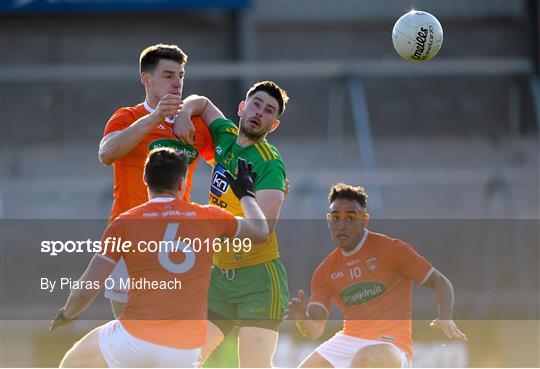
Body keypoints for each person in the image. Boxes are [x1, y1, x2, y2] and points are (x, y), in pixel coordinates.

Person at [50, 148, 268, 368]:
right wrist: (246, 195)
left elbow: (87, 289)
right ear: (182, 183)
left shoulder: (124, 223)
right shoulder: (208, 216)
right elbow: (260, 231)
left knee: (74, 362)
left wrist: (67, 314)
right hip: (185, 349)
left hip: (134, 340)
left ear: (145, 179)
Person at [285, 183, 467, 368]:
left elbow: (440, 281)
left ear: (364, 220)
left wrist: (445, 316)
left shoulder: (391, 249)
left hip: (390, 344)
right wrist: (303, 320)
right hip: (349, 339)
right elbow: (315, 330)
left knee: (366, 358)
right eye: (335, 217)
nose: (341, 225)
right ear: (328, 220)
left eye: (350, 217)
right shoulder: (325, 272)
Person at [174, 81, 289, 367]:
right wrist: (185, 113)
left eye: (269, 111)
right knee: (188, 356)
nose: (260, 112)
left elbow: (262, 231)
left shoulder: (269, 164)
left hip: (258, 279)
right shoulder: (224, 137)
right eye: (256, 104)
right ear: (242, 107)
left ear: (274, 125)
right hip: (220, 275)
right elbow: (201, 100)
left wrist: (206, 224)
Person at [98, 43, 214, 317]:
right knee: (130, 332)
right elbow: (106, 153)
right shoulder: (128, 116)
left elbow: (227, 161)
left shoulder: (193, 125)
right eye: (168, 75)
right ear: (146, 79)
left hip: (177, 241)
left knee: (177, 332)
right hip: (131, 238)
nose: (177, 82)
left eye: (181, 75)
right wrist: (155, 117)